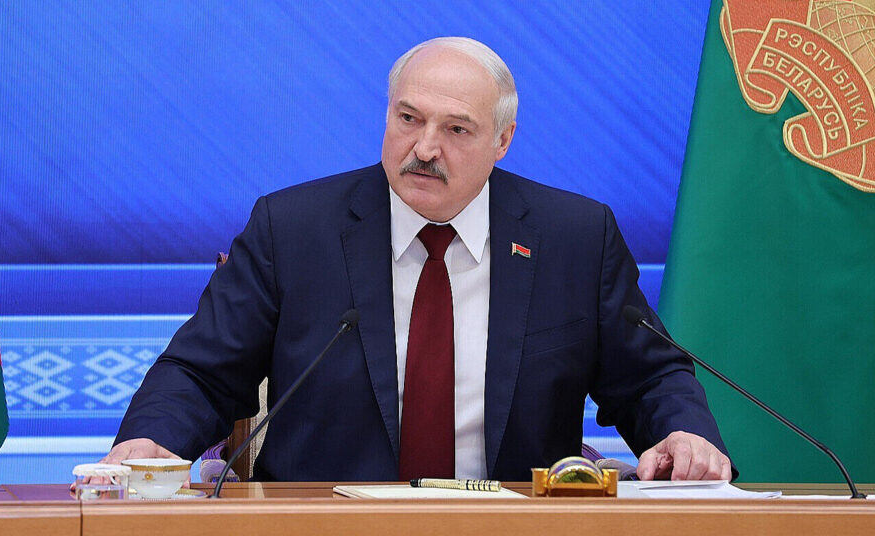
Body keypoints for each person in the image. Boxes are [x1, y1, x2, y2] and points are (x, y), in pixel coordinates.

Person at [105, 37, 733, 482]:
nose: (424, 148)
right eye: (408, 118)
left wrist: (683, 435)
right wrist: (149, 442)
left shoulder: (575, 237)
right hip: (325, 528)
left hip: (514, 530)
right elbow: (201, 372)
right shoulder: (292, 228)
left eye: (456, 129)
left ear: (503, 140)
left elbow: (648, 377)